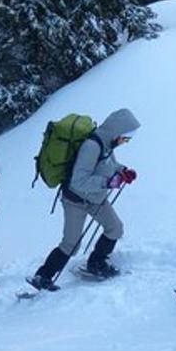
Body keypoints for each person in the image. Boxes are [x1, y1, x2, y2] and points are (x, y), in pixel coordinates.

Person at [28, 109, 141, 290]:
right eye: (125, 138)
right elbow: (79, 181)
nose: (126, 142)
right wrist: (108, 182)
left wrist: (123, 171)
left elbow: (109, 164)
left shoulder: (107, 144)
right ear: (117, 131)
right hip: (75, 201)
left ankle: (96, 264)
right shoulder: (92, 146)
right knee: (71, 244)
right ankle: (42, 277)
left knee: (115, 228)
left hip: (95, 198)